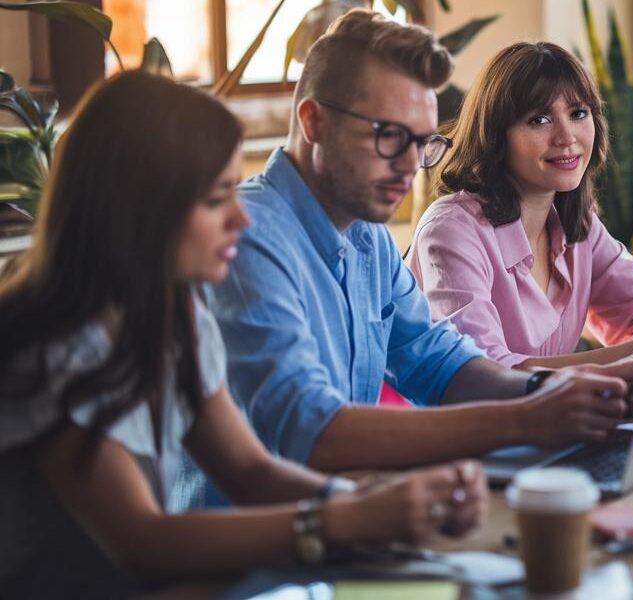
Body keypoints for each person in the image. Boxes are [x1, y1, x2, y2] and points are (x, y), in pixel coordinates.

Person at [0, 72, 487, 598]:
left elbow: (250, 470)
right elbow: (142, 540)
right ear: (139, 210)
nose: (241, 218)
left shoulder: (174, 313)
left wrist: (370, 504)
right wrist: (350, 519)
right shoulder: (53, 345)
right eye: (216, 199)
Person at [208, 10, 633, 484]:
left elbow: (442, 365)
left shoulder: (366, 235)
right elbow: (309, 429)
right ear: (314, 122)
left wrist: (554, 390)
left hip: (347, 506)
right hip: (258, 542)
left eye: (420, 142)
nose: (408, 167)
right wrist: (530, 414)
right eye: (390, 136)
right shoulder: (246, 237)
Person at [408, 42, 633, 370]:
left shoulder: (577, 225)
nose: (567, 137)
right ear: (496, 135)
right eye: (539, 120)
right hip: (461, 420)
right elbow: (483, 372)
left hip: (552, 418)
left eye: (578, 114)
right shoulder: (451, 229)